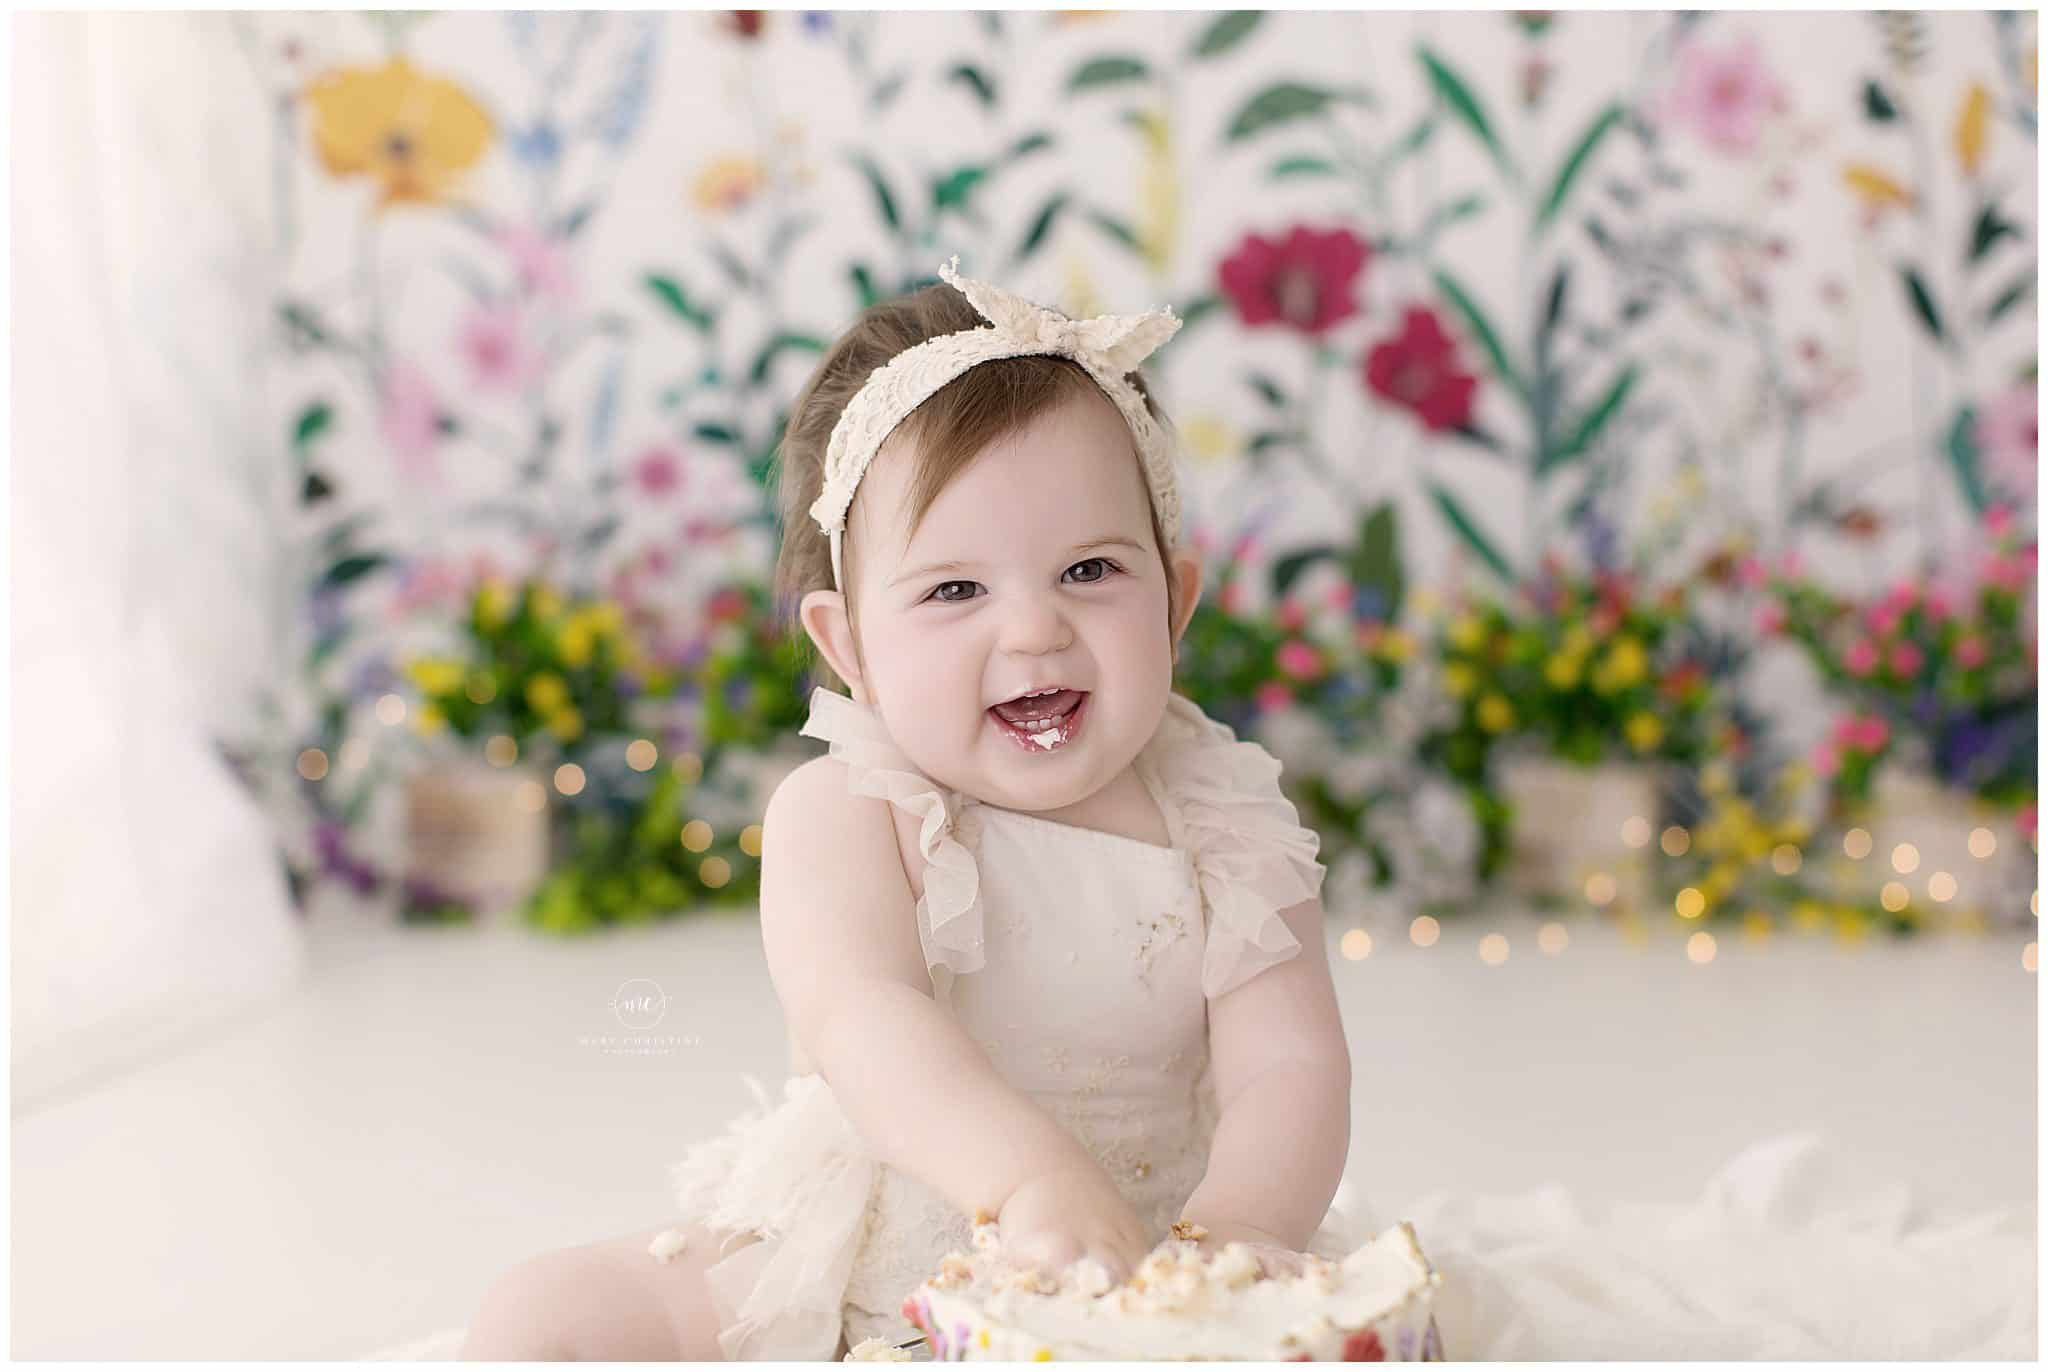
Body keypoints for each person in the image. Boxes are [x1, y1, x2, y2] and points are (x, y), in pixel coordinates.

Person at [459, 257, 1409, 1360]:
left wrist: (1238, 1237)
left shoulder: (1223, 813)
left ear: (1174, 604)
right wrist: (1027, 1178)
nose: (1033, 630)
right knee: (547, 1316)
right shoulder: (850, 809)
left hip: (1158, 1257)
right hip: (882, 1240)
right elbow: (862, 1018)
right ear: (847, 643)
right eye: (956, 589)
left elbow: (1288, 1065)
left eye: (1090, 570)